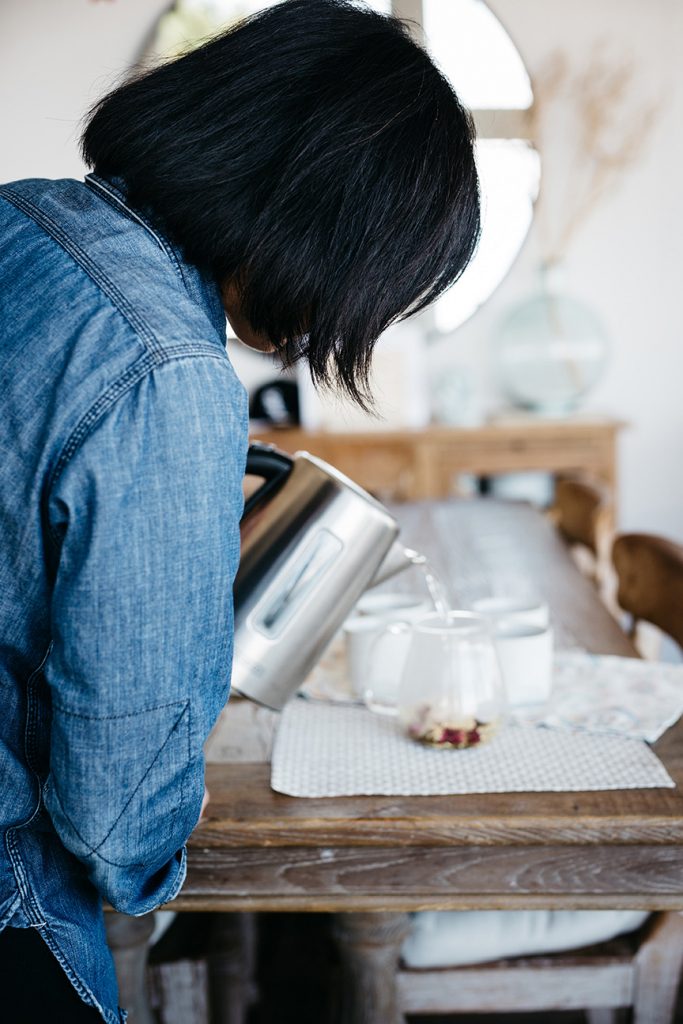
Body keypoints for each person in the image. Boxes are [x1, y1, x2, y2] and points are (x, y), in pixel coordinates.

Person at [0, 0, 479, 1019]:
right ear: (323, 223)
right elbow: (118, 807)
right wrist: (159, 848)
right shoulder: (168, 371)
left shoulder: (24, 215)